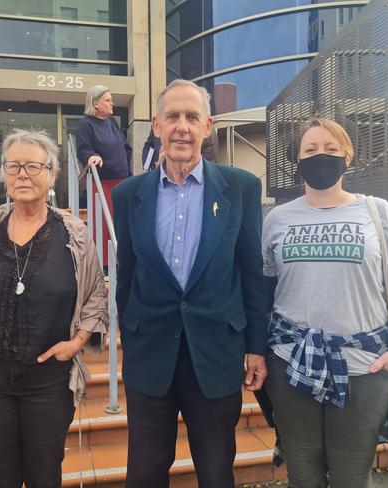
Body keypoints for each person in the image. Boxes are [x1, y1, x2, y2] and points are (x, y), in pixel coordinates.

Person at [112, 79, 270, 488]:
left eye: (192, 117)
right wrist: (130, 331)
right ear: (157, 125)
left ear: (208, 126)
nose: (182, 126)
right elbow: (125, 273)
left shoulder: (242, 188)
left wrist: (256, 346)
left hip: (216, 354)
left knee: (217, 473)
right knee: (145, 473)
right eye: (173, 117)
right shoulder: (129, 195)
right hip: (150, 358)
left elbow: (252, 273)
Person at [0, 129, 109, 488]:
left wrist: (76, 344)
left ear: (52, 175)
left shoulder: (74, 234)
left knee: (45, 475)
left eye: (32, 166)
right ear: (3, 174)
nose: (22, 174)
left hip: (48, 386)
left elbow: (95, 296)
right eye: (13, 166)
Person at [260, 118, 388, 487]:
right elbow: (265, 292)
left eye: (332, 149)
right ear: (296, 159)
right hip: (290, 363)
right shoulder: (278, 219)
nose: (321, 156)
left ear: (348, 156)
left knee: (352, 473)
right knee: (303, 470)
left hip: (364, 367)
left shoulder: (379, 213)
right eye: (311, 149)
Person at [76, 84, 132, 265]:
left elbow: (124, 145)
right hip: (103, 184)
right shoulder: (85, 124)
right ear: (95, 103)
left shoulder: (112, 122)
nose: (112, 103)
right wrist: (92, 156)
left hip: (122, 181)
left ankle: (120, 260)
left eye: (111, 99)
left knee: (122, 225)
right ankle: (105, 265)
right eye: (108, 100)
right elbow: (83, 150)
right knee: (105, 226)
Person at [141, 127, 218, 170]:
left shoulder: (204, 132)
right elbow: (149, 147)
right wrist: (147, 168)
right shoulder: (157, 127)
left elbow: (208, 162)